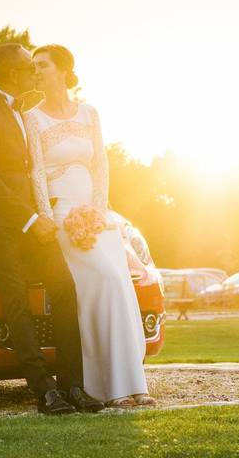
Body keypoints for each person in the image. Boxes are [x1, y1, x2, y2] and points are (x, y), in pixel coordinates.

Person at [0, 43, 104, 415]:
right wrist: (29, 219)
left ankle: (73, 384)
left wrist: (41, 213)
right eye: (29, 68)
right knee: (17, 299)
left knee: (63, 286)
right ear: (12, 73)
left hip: (31, 218)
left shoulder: (25, 110)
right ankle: (44, 390)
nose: (35, 73)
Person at [24, 44, 156, 407]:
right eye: (34, 66)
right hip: (62, 215)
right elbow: (35, 170)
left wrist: (98, 213)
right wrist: (48, 218)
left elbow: (101, 166)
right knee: (105, 282)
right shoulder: (33, 119)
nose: (36, 71)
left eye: (43, 65)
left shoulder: (90, 113)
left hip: (97, 217)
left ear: (64, 70)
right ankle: (108, 388)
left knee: (121, 289)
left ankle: (134, 385)